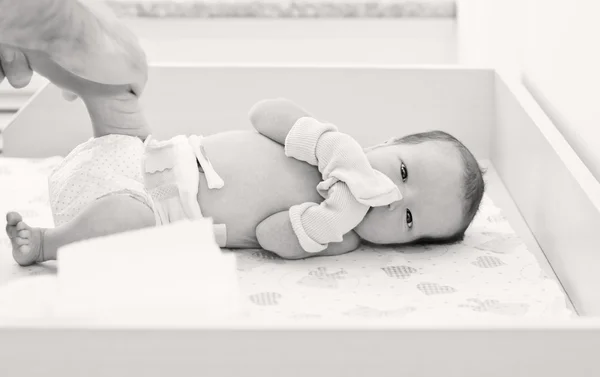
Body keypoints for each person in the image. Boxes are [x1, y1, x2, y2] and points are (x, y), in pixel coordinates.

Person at [3, 0, 485, 266]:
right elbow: (263, 113)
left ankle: (48, 243)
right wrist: (323, 143)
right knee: (119, 85)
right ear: (384, 144)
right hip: (144, 152)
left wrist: (331, 217)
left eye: (406, 218)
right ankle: (55, 55)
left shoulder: (343, 239)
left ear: (403, 245)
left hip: (161, 214)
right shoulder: (323, 144)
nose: (391, 194)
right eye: (402, 170)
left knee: (126, 226)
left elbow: (270, 237)